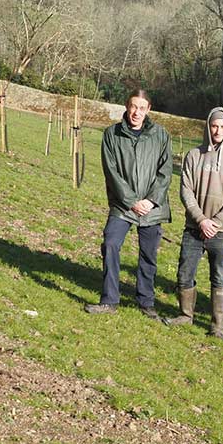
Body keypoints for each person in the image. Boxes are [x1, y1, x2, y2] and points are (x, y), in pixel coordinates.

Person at [85, 89, 172, 318]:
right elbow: (111, 172)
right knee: (111, 244)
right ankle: (109, 300)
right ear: (126, 106)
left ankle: (146, 302)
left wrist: (151, 201)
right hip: (123, 206)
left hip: (152, 208)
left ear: (149, 109)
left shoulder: (161, 135)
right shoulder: (112, 135)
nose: (137, 112)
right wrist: (132, 201)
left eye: (142, 108)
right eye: (134, 106)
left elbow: (165, 173)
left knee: (148, 254)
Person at [168, 106, 223, 338]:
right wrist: (201, 220)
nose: (218, 130)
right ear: (208, 126)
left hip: (221, 232)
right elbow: (186, 190)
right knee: (185, 272)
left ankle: (217, 326)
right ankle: (185, 315)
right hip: (194, 228)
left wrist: (216, 222)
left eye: (222, 127)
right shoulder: (194, 155)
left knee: (219, 277)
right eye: (214, 125)